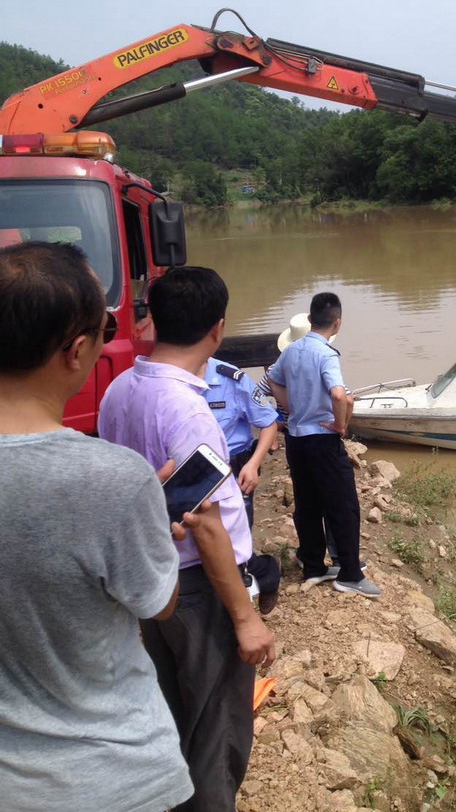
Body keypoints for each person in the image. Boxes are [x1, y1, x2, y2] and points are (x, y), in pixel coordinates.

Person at [0, 241, 193, 812]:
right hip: (113, 777)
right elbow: (159, 604)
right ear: (78, 350)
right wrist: (148, 528)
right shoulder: (115, 480)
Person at [99, 266, 276, 812]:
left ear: (150, 319)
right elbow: (207, 522)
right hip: (199, 587)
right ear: (218, 329)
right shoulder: (189, 409)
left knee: (175, 715)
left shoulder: (119, 389)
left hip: (151, 583)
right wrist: (245, 617)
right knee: (218, 729)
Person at [267, 292, 380, 599]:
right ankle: (350, 574)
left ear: (310, 318)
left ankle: (314, 565)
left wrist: (290, 406)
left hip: (296, 439)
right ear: (337, 322)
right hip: (321, 439)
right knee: (343, 506)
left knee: (308, 504)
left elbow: (271, 379)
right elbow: (340, 395)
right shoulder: (326, 354)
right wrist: (341, 426)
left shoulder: (291, 351)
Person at [202, 357, 281, 613]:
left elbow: (268, 422)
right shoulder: (170, 379)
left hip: (235, 467)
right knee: (202, 537)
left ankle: (260, 578)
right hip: (196, 471)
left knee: (237, 539)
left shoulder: (230, 379)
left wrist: (253, 464)